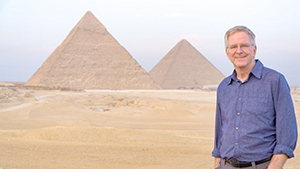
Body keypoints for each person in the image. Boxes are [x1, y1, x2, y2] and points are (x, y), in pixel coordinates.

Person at [212, 26, 298, 169]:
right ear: (227, 53)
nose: (239, 51)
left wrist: (274, 166)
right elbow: (219, 132)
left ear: (254, 49)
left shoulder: (275, 81)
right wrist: (217, 165)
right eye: (233, 47)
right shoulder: (224, 87)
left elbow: (287, 133)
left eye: (244, 45)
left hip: (262, 165)